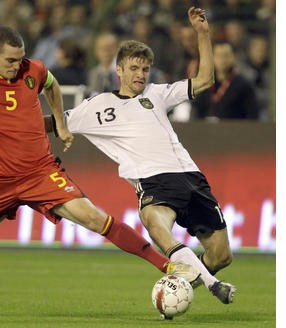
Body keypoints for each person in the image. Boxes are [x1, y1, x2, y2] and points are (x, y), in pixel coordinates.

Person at [0, 27, 199, 284]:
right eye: (10, 60)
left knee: (95, 218)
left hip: (40, 172)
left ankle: (168, 266)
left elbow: (51, 84)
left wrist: (62, 126)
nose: (17, 65)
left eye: (20, 58)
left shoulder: (33, 69)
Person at [46, 7, 236, 304]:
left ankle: (176, 287)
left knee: (222, 255)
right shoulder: (98, 106)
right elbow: (55, 121)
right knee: (156, 225)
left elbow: (205, 79)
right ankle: (211, 284)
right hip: (153, 181)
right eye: (134, 69)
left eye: (145, 69)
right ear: (118, 70)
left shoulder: (158, 93)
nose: (140, 75)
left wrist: (203, 34)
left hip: (191, 177)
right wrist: (12, 127)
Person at [192, 41, 259, 120]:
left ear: (233, 57)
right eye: (218, 56)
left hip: (234, 130)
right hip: (206, 130)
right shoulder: (204, 83)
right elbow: (196, 111)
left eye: (226, 56)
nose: (222, 60)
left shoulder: (244, 85)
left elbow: (252, 116)